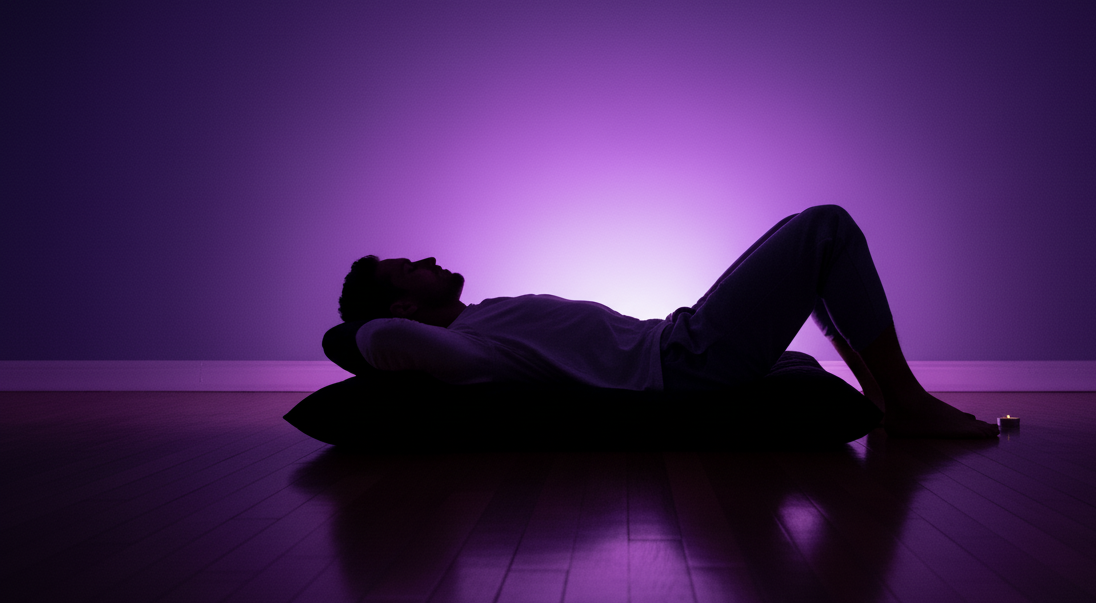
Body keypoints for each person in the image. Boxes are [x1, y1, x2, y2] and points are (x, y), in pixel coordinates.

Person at [337, 205, 998, 438]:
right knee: (823, 228)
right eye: (408, 268)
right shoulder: (465, 349)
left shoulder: (480, 318)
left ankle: (884, 401)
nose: (425, 260)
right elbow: (376, 339)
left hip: (679, 341)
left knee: (799, 246)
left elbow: (388, 329)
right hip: (686, 362)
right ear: (403, 305)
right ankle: (905, 405)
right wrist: (355, 334)